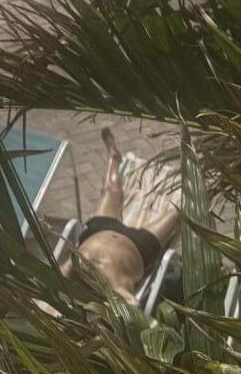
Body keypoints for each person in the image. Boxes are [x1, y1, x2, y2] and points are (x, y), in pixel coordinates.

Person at [67, 127, 181, 305]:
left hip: (98, 230)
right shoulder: (114, 287)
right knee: (176, 214)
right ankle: (198, 185)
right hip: (140, 246)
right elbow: (132, 304)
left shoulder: (77, 267)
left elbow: (55, 274)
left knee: (110, 190)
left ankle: (113, 157)